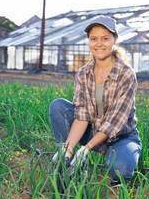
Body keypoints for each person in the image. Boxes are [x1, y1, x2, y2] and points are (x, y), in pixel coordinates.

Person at [49, 15, 141, 184]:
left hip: (120, 136)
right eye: (94, 39)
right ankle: (67, 162)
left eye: (105, 38)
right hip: (93, 129)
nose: (99, 44)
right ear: (89, 41)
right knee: (59, 107)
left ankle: (117, 158)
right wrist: (68, 149)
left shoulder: (126, 74)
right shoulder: (83, 73)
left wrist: (85, 149)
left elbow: (114, 123)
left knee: (119, 168)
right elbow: (81, 116)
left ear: (115, 40)